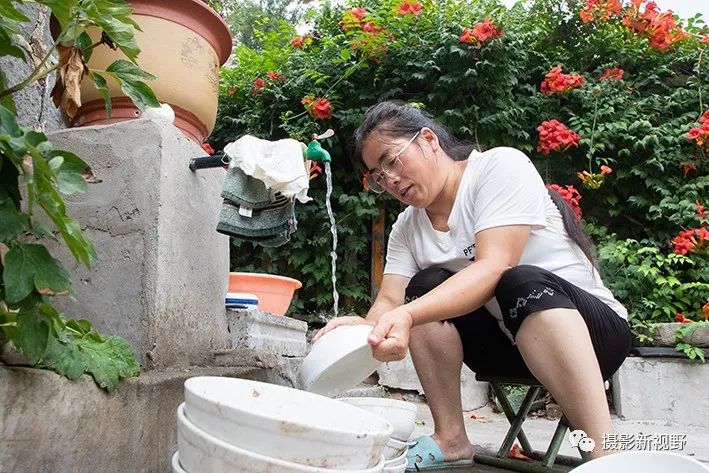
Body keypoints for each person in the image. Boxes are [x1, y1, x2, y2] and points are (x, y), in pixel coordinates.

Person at [311, 100, 631, 470]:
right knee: (423, 287)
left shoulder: (498, 168)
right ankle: (450, 438)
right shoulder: (406, 228)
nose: (390, 179)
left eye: (392, 160)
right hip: (508, 347)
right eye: (378, 176)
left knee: (517, 280)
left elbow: (495, 265)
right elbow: (391, 299)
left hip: (593, 337)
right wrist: (368, 326)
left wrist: (407, 315)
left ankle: (604, 456)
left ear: (428, 140)